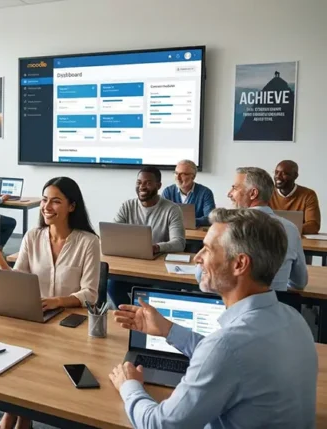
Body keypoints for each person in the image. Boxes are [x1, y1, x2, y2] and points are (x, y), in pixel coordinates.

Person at [109, 208, 317, 428]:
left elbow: (159, 424)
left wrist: (129, 386)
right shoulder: (295, 320)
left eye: (207, 250)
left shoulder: (227, 346)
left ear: (239, 264)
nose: (197, 258)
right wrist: (168, 329)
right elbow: (229, 357)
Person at [0, 177, 100, 429]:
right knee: (9, 345)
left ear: (72, 206)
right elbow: (19, 280)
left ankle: (16, 415)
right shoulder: (33, 236)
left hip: (67, 322)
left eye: (56, 201)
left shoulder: (88, 242)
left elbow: (90, 294)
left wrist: (57, 301)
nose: (47, 207)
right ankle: (18, 414)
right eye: (44, 200)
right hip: (33, 315)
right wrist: (0, 259)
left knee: (30, 350)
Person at [211, 166, 307, 291]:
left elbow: (202, 275)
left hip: (231, 301)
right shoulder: (291, 228)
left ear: (253, 193)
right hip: (276, 301)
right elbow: (300, 282)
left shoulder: (227, 226)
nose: (229, 193)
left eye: (235, 188)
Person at [108, 166, 185, 306]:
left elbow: (179, 243)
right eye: (139, 182)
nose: (142, 187)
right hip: (131, 266)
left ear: (159, 186)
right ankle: (131, 314)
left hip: (160, 270)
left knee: (161, 295)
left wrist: (156, 247)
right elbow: (113, 234)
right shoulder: (127, 206)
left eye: (148, 183)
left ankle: (147, 316)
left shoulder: (172, 209)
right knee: (111, 285)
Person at [271, 159, 321, 234]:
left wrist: (284, 230)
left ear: (295, 176)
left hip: (298, 238)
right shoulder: (267, 192)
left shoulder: (308, 195)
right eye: (276, 172)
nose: (278, 176)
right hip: (271, 237)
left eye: (284, 174)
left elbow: (313, 226)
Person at [161, 159, 215, 227]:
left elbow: (210, 218)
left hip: (195, 232)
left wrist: (187, 222)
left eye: (182, 174)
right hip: (172, 231)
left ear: (193, 176)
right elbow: (162, 216)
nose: (178, 178)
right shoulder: (168, 192)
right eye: (176, 173)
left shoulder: (205, 193)